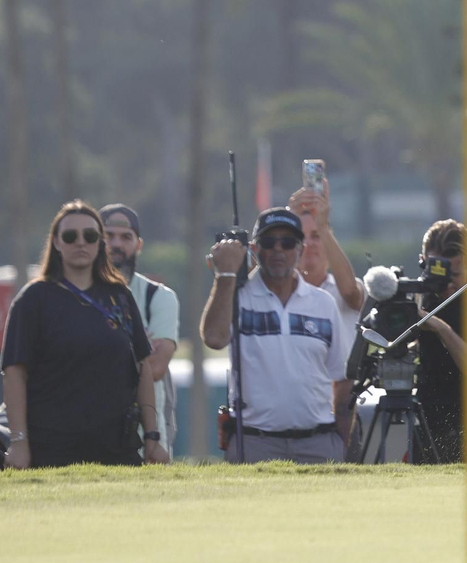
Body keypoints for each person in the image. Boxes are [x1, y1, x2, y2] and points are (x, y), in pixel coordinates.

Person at [2, 201, 166, 468]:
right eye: (70, 236)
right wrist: (19, 442)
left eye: (89, 236)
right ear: (56, 242)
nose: (81, 243)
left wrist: (152, 437)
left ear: (99, 243)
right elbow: (14, 373)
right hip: (53, 448)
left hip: (117, 448)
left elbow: (142, 367)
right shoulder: (33, 299)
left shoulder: (120, 296)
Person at [202, 207, 346, 465]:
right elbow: (214, 338)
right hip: (255, 442)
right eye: (269, 242)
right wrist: (225, 276)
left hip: (318, 442)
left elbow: (342, 379)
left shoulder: (324, 304)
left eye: (288, 242)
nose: (278, 250)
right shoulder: (236, 298)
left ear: (300, 249)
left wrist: (343, 441)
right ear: (255, 250)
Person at [411, 219, 467, 464]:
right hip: (430, 429)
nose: (447, 283)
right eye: (438, 271)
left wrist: (441, 329)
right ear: (424, 261)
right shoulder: (427, 294)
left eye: (455, 272)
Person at [100, 204, 180, 456]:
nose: (116, 244)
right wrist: (137, 347)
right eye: (108, 236)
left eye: (125, 237)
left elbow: (155, 368)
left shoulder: (158, 297)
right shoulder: (73, 297)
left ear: (139, 245)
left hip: (146, 438)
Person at [286, 187, 364, 445]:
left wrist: (324, 226)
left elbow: (352, 293)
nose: (309, 244)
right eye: (302, 237)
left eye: (316, 236)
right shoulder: (282, 294)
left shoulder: (343, 289)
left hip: (343, 414)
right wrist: (288, 222)